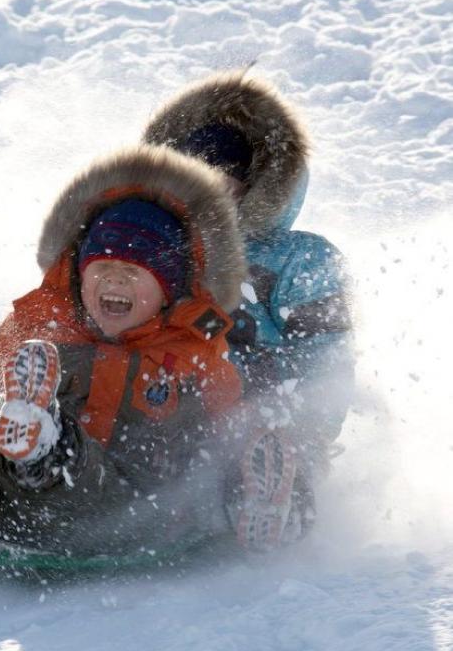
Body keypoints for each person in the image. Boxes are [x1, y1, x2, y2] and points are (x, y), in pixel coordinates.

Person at [0, 144, 247, 557]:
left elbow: (234, 429)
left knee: (78, 470)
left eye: (132, 273)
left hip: (116, 516)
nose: (115, 282)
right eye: (102, 269)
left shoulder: (192, 353)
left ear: (168, 291)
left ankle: (43, 447)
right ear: (79, 274)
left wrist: (244, 489)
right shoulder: (44, 324)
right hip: (4, 507)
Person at [142, 70, 354, 552]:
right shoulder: (157, 248)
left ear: (248, 186)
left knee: (256, 433)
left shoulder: (301, 258)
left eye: (217, 184)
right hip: (172, 399)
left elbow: (327, 355)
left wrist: (309, 428)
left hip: (268, 403)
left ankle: (274, 494)